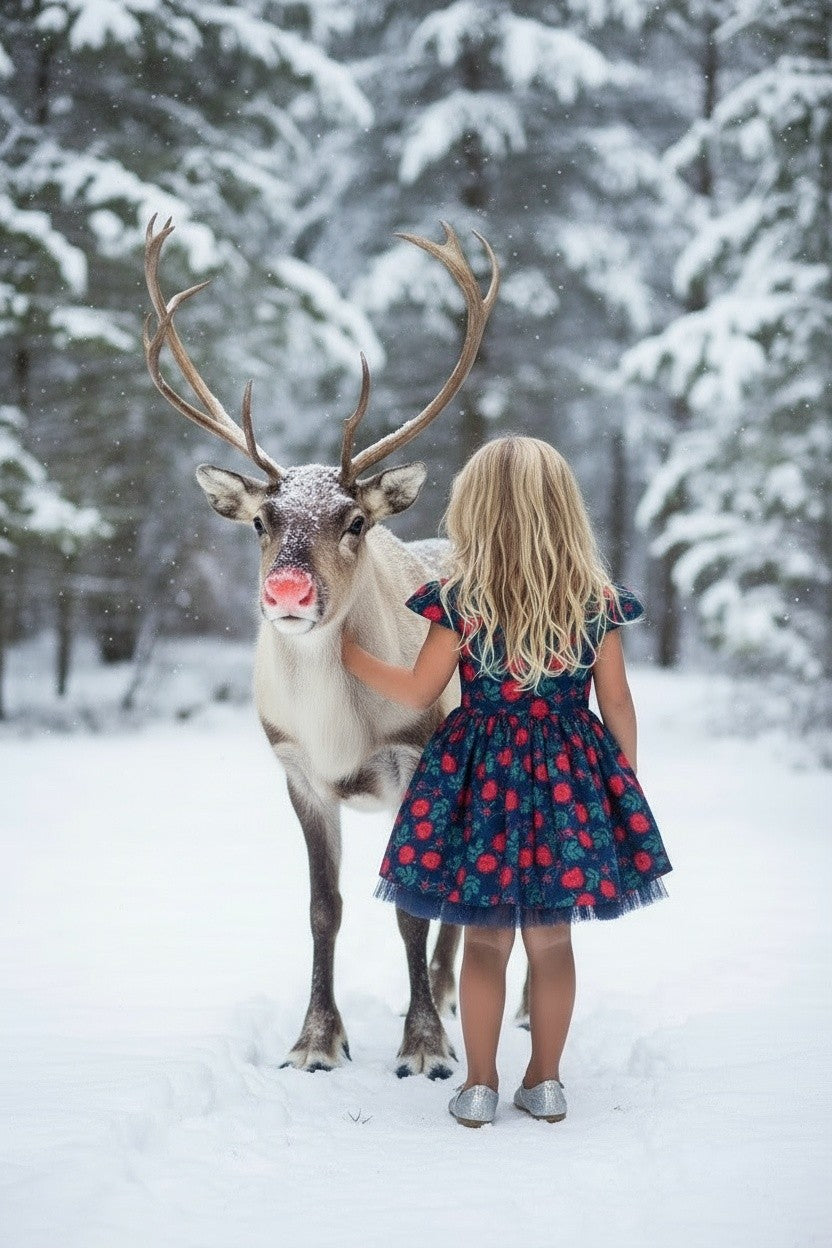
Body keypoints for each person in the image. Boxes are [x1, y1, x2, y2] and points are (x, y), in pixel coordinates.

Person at [340, 435, 672, 1128]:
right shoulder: (595, 601)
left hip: (479, 780)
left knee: (485, 938)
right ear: (564, 511)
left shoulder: (464, 600)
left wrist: (348, 655)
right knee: (553, 940)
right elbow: (616, 702)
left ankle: (480, 1085)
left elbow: (416, 690)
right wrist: (622, 786)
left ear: (476, 510)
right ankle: (545, 1082)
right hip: (568, 780)